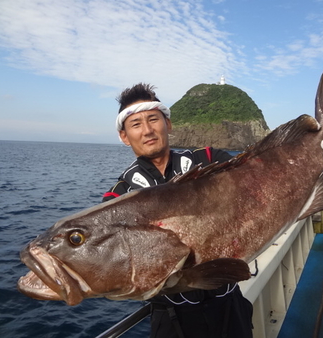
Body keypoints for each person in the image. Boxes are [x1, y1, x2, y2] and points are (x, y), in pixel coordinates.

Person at [102, 83, 254, 338]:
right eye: (136, 124)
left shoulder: (208, 159)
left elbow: (254, 175)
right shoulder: (118, 197)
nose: (148, 130)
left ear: (168, 124)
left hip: (230, 306)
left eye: (153, 119)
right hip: (173, 320)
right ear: (124, 137)